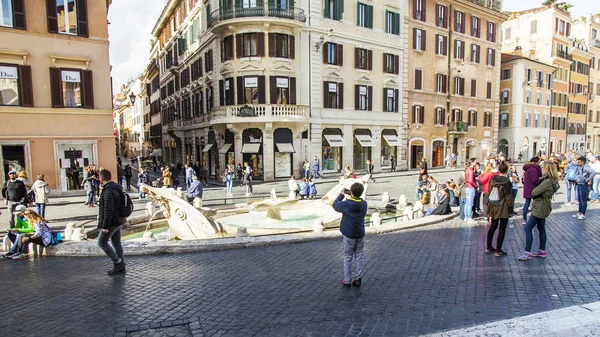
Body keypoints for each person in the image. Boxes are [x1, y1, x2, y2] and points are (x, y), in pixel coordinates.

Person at [518, 162, 560, 261]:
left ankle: (527, 252)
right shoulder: (550, 180)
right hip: (544, 205)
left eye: (543, 168)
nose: (542, 169)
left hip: (540, 207)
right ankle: (542, 250)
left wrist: (536, 187)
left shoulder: (547, 182)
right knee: (541, 227)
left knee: (528, 228)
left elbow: (534, 192)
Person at [333, 182, 368, 288]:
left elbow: (335, 205)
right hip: (360, 233)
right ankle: (358, 279)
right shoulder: (364, 203)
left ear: (351, 192)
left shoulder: (347, 204)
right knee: (359, 256)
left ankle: (347, 280)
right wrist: (352, 195)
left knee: (348, 256)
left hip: (349, 234)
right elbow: (356, 202)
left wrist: (342, 194)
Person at [97, 169, 126, 275]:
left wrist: (105, 226)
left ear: (101, 178)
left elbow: (108, 210)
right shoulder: (116, 188)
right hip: (119, 220)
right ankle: (120, 264)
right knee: (116, 242)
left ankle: (118, 263)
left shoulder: (108, 191)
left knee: (101, 242)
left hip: (112, 222)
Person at [486, 162, 514, 257]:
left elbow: (489, 191)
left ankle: (489, 247)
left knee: (493, 226)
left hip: (493, 205)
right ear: (506, 170)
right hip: (503, 207)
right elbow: (509, 197)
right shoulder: (506, 182)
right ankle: (498, 250)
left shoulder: (493, 179)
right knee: (502, 229)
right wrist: (511, 209)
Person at [574, 156, 596, 220]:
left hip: (583, 184)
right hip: (579, 183)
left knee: (583, 200)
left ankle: (583, 214)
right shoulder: (580, 167)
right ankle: (579, 212)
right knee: (580, 199)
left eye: (579, 162)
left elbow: (593, 172)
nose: (578, 163)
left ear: (582, 162)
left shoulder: (586, 167)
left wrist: (588, 179)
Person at [522, 157, 542, 225]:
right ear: (535, 162)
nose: (539, 163)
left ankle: (524, 219)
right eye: (539, 161)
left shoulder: (528, 168)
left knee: (527, 203)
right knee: (534, 204)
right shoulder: (533, 169)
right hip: (533, 189)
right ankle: (533, 219)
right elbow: (535, 180)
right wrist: (541, 181)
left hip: (527, 188)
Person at [463, 159, 478, 224]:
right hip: (470, 188)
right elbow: (470, 180)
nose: (476, 163)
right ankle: (469, 217)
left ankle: (466, 217)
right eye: (475, 162)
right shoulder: (471, 170)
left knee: (467, 203)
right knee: (470, 203)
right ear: (472, 163)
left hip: (467, 187)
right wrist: (476, 185)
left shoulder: (467, 169)